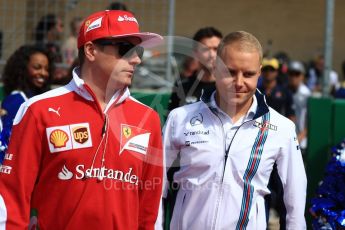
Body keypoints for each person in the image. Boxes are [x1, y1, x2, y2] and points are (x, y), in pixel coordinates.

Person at [0, 10, 163, 229]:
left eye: (139, 50)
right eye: (126, 49)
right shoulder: (38, 110)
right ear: (91, 50)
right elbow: (12, 197)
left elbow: (149, 207)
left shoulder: (147, 118)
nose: (136, 59)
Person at [159, 31, 307, 229]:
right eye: (230, 72)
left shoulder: (282, 129)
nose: (238, 83)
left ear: (259, 73)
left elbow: (294, 202)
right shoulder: (180, 118)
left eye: (248, 74)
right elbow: (157, 188)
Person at [0, 45, 53, 164]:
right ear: (23, 69)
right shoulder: (15, 100)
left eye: (46, 69)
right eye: (37, 67)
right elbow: (8, 142)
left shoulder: (44, 99)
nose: (43, 73)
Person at [167, 27, 222, 112]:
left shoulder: (229, 85)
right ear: (195, 53)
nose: (212, 55)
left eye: (216, 49)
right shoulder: (182, 85)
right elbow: (172, 120)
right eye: (205, 49)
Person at [287, 60, 311, 154]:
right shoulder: (284, 91)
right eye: (291, 73)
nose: (293, 77)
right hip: (285, 139)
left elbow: (310, 118)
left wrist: (301, 136)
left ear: (302, 76)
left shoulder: (306, 94)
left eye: (297, 74)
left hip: (301, 141)